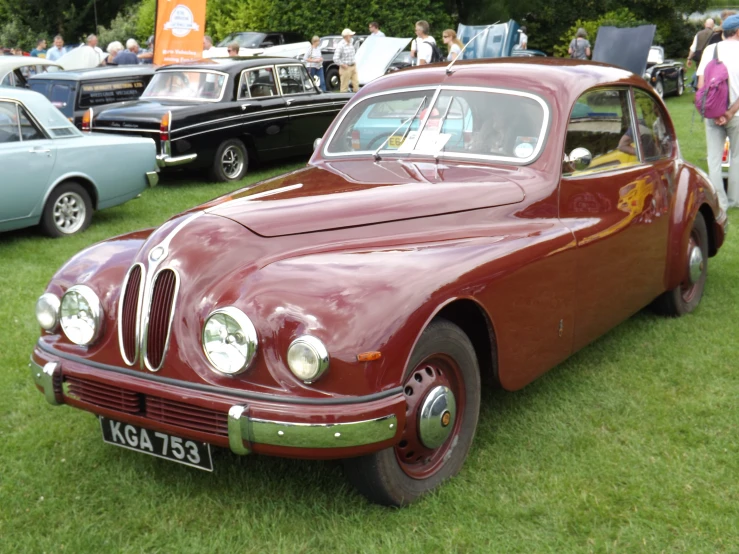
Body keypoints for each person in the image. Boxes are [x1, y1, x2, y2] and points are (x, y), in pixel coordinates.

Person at [697, 13, 739, 210]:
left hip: (712, 112)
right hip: (737, 115)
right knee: (737, 158)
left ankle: (719, 202)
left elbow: (701, 86)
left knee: (714, 158)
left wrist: (715, 112)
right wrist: (729, 113)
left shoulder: (711, 50)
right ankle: (733, 200)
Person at [335, 28, 359, 92]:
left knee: (356, 84)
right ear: (346, 36)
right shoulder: (340, 45)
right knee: (344, 87)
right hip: (345, 68)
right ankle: (343, 100)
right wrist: (342, 65)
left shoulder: (351, 42)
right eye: (350, 35)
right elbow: (335, 58)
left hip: (353, 66)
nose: (351, 36)